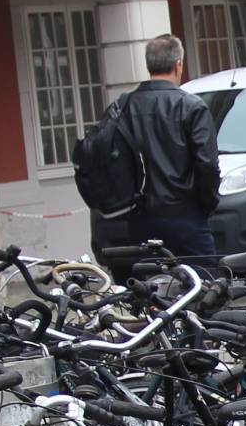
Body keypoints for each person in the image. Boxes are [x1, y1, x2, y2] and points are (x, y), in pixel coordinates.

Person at [92, 34, 221, 275]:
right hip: (186, 214)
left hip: (139, 217)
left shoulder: (123, 106)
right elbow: (207, 165)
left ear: (149, 64)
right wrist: (207, 204)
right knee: (203, 286)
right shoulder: (191, 106)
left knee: (150, 289)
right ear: (178, 65)